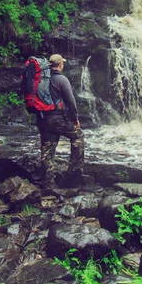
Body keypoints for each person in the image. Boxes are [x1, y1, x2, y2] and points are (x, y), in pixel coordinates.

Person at [36, 54, 85, 192]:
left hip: (42, 119)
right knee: (78, 136)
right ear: (60, 65)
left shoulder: (40, 79)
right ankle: (74, 173)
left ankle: (47, 184)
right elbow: (70, 100)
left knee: (47, 151)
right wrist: (75, 118)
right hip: (57, 118)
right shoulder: (61, 79)